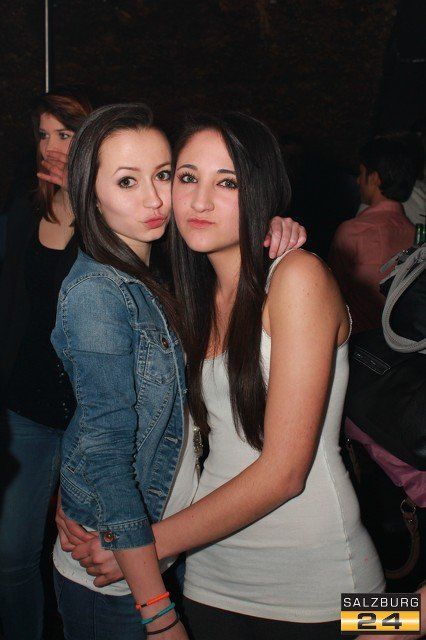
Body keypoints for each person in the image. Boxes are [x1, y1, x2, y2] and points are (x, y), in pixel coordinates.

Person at [60, 112, 384, 640]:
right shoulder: (182, 297)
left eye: (228, 182)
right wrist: (74, 495)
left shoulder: (297, 276)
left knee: (397, 625)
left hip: (318, 583)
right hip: (209, 575)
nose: (200, 201)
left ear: (260, 190)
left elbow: (284, 472)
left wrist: (141, 549)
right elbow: (109, 411)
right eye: (187, 177)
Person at [0, 87, 92, 640]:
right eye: (43, 135)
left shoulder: (116, 217)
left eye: (65, 134)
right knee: (11, 554)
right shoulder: (22, 209)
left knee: (88, 557)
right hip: (26, 409)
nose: (51, 146)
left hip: (93, 416)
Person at [328, 133, 419, 333]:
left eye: (361, 174)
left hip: (359, 342)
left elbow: (331, 295)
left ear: (375, 178)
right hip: (399, 342)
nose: (358, 181)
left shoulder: (354, 231)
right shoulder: (415, 234)